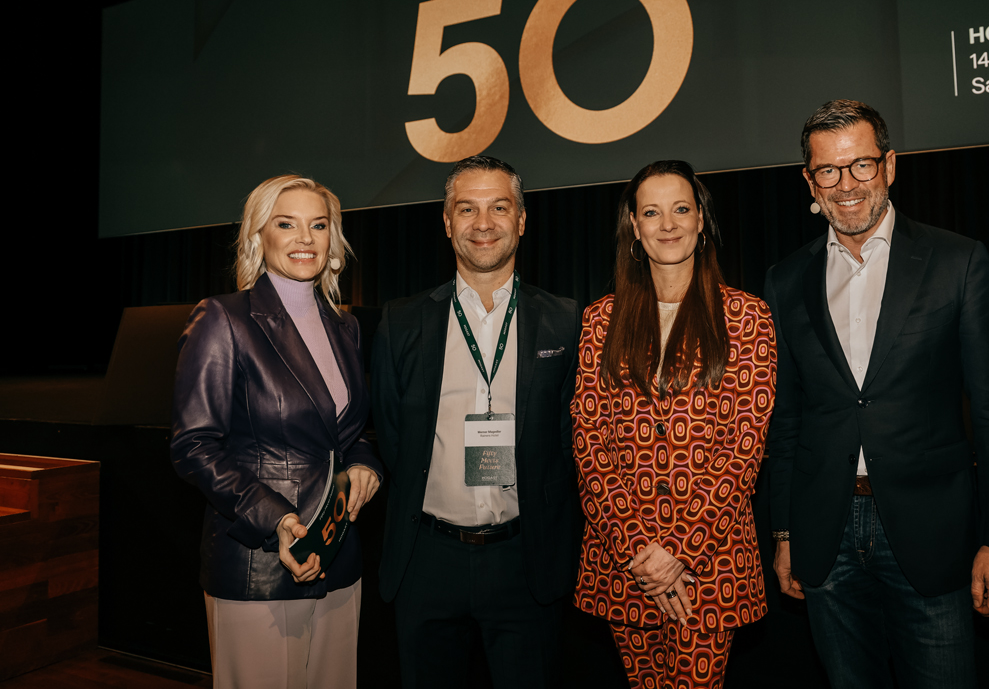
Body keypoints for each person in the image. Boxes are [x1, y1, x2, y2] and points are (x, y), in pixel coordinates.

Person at [765, 99, 989, 687]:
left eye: (861, 165)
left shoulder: (958, 262)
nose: (847, 184)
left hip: (932, 535)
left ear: (890, 165)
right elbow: (787, 421)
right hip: (824, 536)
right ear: (809, 180)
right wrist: (784, 534)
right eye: (828, 171)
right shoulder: (786, 280)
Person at [371, 155, 580, 689]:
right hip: (426, 561)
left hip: (525, 561)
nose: (483, 224)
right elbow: (391, 434)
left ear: (522, 220)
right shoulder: (402, 320)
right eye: (467, 209)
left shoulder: (566, 319)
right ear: (446, 221)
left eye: (498, 207)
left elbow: (570, 439)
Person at [170, 174, 383, 688]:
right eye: (286, 224)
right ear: (257, 236)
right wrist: (276, 518)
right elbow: (193, 444)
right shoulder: (223, 318)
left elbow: (347, 431)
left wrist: (363, 463)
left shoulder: (347, 327)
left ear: (334, 241)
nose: (305, 238)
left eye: (319, 225)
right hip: (259, 563)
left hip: (337, 556)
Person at [572, 160, 777, 689]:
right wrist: (640, 553)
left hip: (709, 563)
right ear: (634, 228)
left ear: (701, 220)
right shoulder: (601, 320)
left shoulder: (746, 317)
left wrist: (677, 552)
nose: (668, 224)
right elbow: (590, 443)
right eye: (652, 212)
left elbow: (743, 450)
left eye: (681, 209)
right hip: (626, 562)